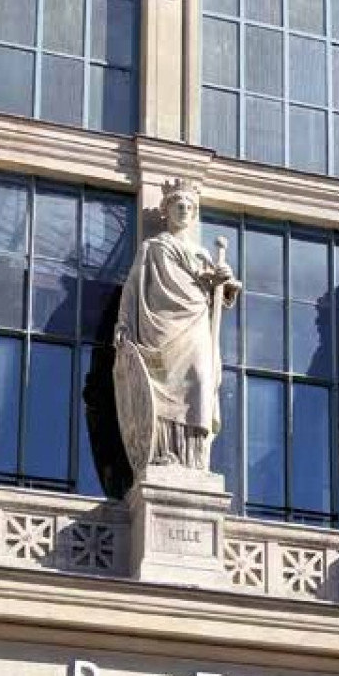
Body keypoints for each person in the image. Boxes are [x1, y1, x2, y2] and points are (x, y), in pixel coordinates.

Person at [115, 180, 240, 471]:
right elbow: (133, 287)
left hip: (196, 323)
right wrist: (123, 322)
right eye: (177, 205)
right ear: (166, 210)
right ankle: (163, 452)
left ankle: (193, 458)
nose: (183, 210)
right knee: (160, 388)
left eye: (188, 206)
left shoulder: (203, 255)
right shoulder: (153, 246)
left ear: (194, 213)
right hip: (160, 327)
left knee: (198, 380)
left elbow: (221, 291)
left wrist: (226, 280)